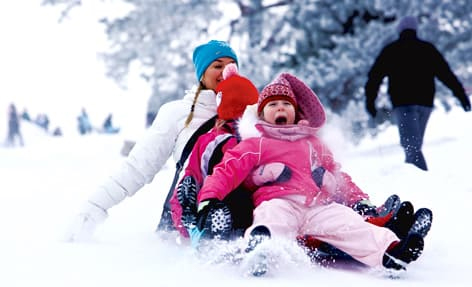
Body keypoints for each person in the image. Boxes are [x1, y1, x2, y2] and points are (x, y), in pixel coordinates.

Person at [196, 73, 425, 274]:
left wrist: (337, 185)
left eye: (286, 105)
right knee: (271, 218)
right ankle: (259, 248)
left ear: (296, 113)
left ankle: (391, 251)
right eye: (273, 104)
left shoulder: (313, 143)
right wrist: (209, 199)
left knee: (349, 223)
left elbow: (340, 176)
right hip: (279, 201)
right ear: (263, 115)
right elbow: (228, 169)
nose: (280, 108)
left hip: (318, 207)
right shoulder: (257, 143)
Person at [65, 40, 240, 242]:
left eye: (231, 65)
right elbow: (138, 167)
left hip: (242, 219)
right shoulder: (177, 113)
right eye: (217, 66)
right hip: (185, 224)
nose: (226, 72)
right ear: (202, 74)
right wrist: (94, 207)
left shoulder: (252, 114)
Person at [365, 16, 471, 171]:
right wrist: (461, 96)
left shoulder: (391, 50)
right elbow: (446, 75)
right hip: (425, 104)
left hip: (403, 103)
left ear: (400, 30)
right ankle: (417, 180)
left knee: (411, 146)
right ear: (415, 30)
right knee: (414, 145)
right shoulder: (428, 49)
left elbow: (374, 78)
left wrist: (370, 102)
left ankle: (420, 180)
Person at [170, 63, 258, 242]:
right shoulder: (260, 140)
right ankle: (209, 225)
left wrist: (180, 218)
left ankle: (201, 227)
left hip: (214, 199)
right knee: (239, 198)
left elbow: (192, 174)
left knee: (204, 189)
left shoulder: (210, 140)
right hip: (245, 204)